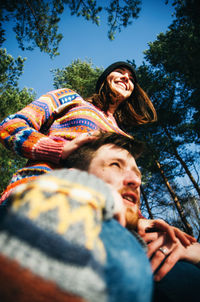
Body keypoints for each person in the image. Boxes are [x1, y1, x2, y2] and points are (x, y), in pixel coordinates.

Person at [0, 132, 199, 302]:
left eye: (137, 173)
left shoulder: (163, 240)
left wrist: (191, 250)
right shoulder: (42, 219)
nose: (136, 180)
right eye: (115, 165)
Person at [0, 61, 157, 204]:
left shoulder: (124, 137)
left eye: (131, 78)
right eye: (120, 71)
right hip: (42, 190)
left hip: (101, 216)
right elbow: (10, 125)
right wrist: (58, 149)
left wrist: (139, 220)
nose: (126, 78)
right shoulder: (69, 98)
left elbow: (127, 186)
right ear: (104, 78)